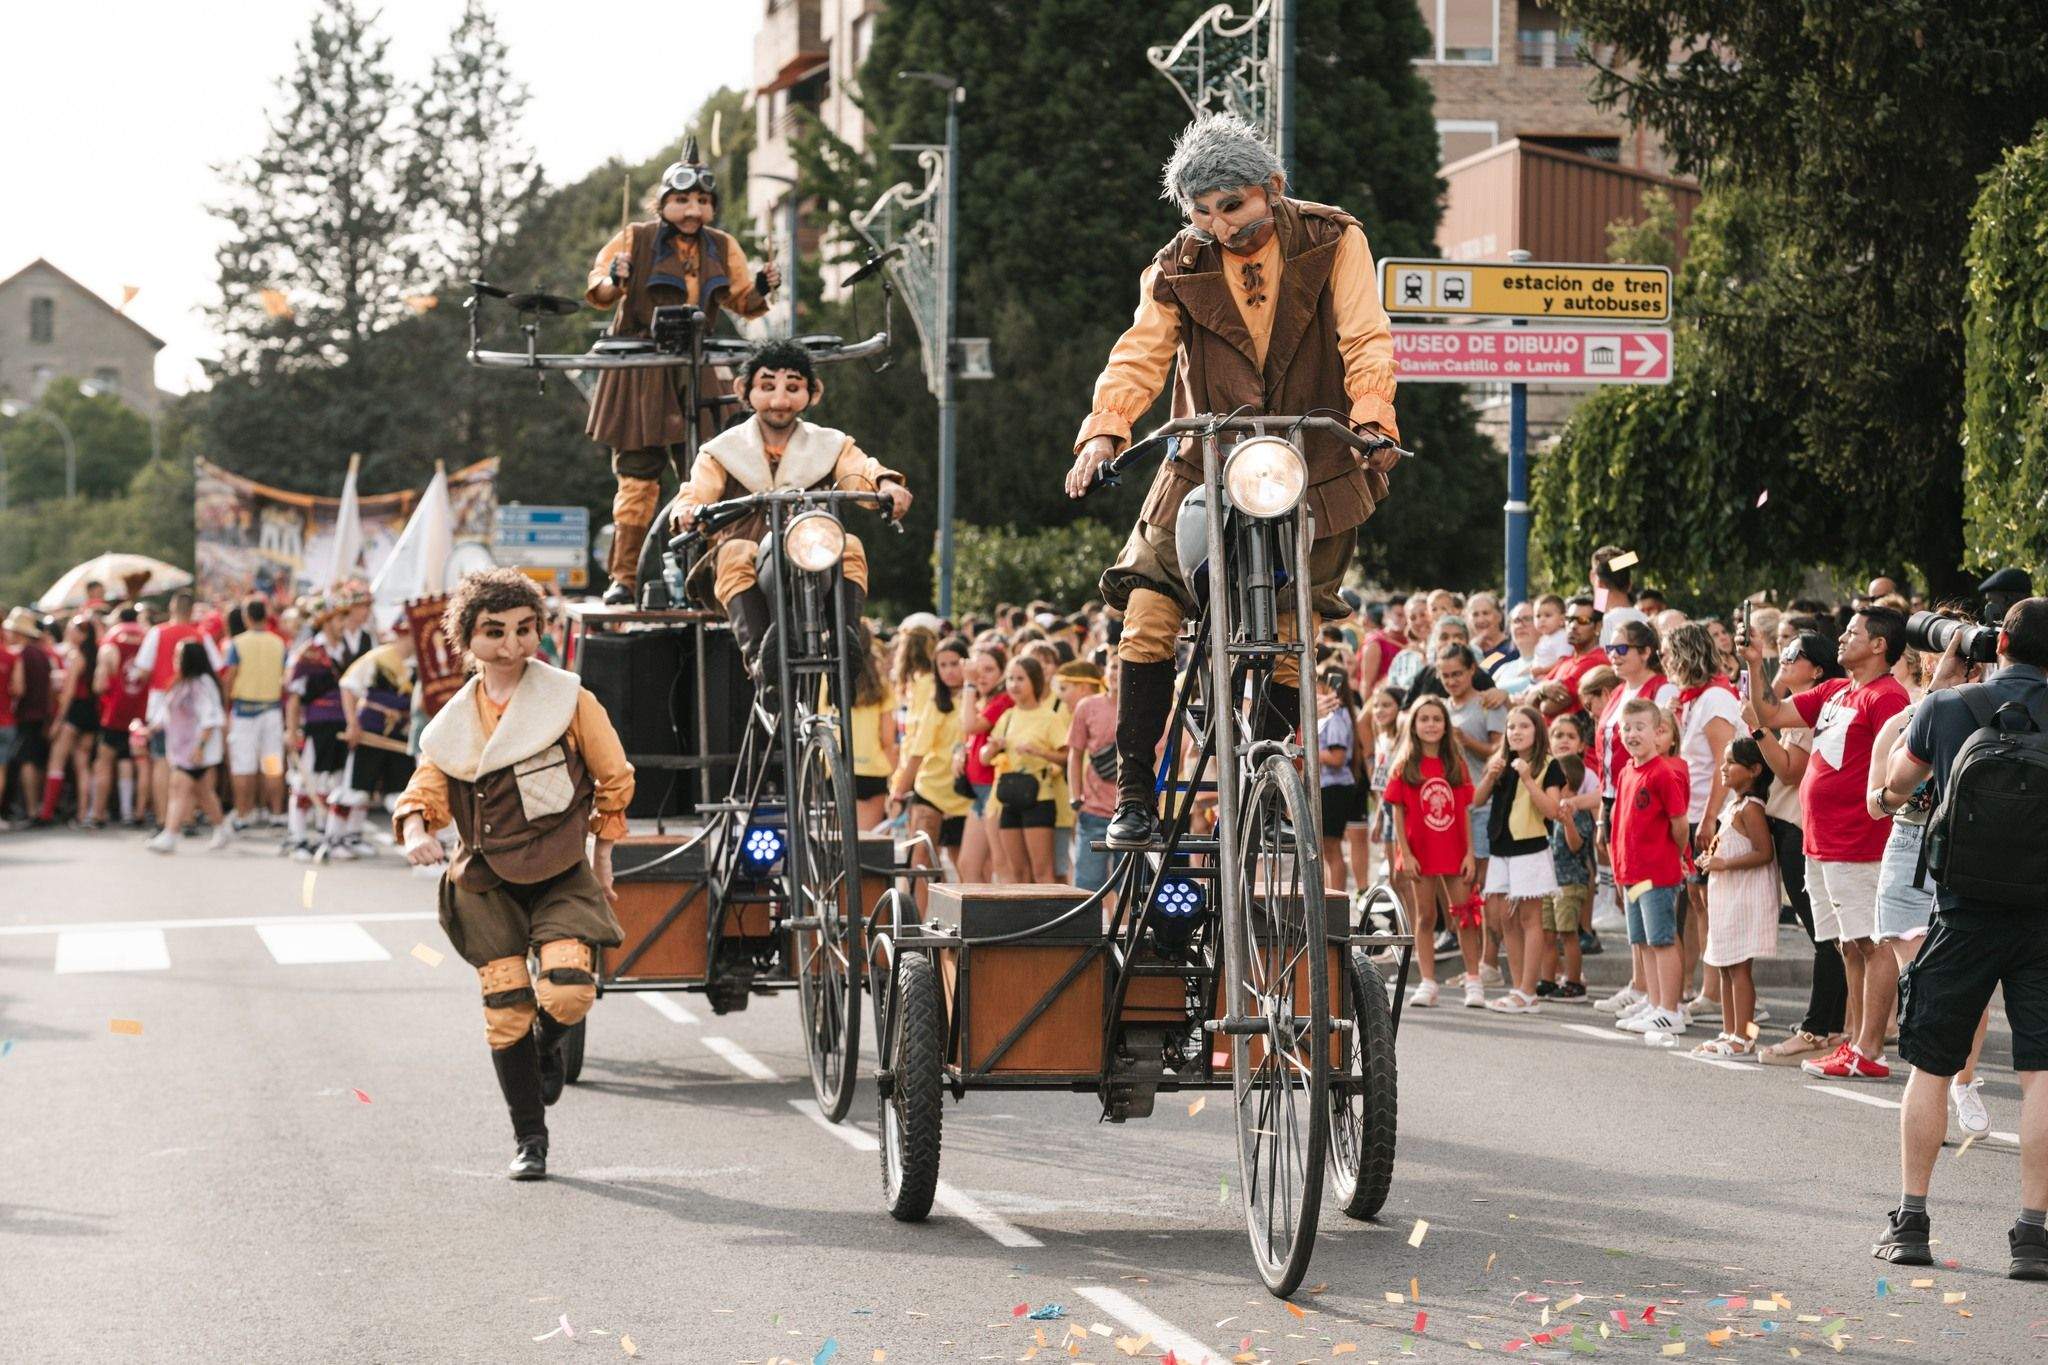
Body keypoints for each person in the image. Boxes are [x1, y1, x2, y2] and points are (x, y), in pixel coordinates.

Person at [1062, 111, 1401, 850]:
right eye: (1205, 212)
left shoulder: (1333, 238)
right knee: (1147, 611)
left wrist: (1373, 417)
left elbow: (1364, 331)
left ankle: (1271, 789)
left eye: (1235, 205)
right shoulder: (1177, 264)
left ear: (1272, 188)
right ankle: (1134, 794)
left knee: (1289, 630)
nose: (1222, 225)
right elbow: (1139, 353)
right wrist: (1105, 428)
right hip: (1204, 464)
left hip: (1311, 462)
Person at [395, 569, 634, 1181]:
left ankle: (544, 1044)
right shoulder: (449, 723)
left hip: (559, 871)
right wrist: (419, 831)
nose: (512, 645)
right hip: (485, 883)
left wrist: (603, 853)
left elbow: (614, 779)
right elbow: (427, 789)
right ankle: (531, 1140)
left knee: (568, 991)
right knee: (504, 1009)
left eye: (525, 630)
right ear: (467, 638)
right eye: (495, 632)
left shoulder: (570, 698)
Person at [1870, 596, 2048, 1278]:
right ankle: (2032, 1235)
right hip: (2043, 915)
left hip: (1963, 909)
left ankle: (1912, 1220)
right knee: (2041, 1075)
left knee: (1933, 1064)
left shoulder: (1949, 706)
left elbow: (1891, 788)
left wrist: (1936, 688)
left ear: (1996, 641)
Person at [584, 139, 781, 603]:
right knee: (636, 479)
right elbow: (598, 287)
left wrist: (761, 286)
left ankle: (709, 580)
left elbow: (743, 302)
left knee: (708, 476)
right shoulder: (636, 236)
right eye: (683, 200)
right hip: (643, 369)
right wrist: (617, 276)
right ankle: (624, 577)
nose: (693, 210)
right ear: (664, 203)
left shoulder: (722, 245)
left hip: (696, 367)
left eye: (701, 201)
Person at [672, 340, 911, 673]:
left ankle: (844, 639)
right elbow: (697, 490)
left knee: (851, 546)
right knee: (733, 552)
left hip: (813, 553)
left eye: (793, 387)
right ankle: (760, 658)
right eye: (767, 386)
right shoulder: (721, 450)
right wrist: (689, 509)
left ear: (812, 393)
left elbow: (861, 470)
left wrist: (886, 485)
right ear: (745, 390)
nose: (780, 400)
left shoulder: (830, 444)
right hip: (752, 559)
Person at [1743, 606, 1910, 1082]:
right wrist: (1757, 664)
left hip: (1859, 842)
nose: (1842, 638)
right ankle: (1854, 1041)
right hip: (1822, 841)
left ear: (1879, 645)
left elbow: (1902, 767)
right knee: (1847, 945)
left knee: (1871, 944)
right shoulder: (1837, 690)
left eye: (1854, 632)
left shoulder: (1887, 697)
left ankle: (1870, 1048)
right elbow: (1769, 712)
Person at [1865, 666, 1990, 1138]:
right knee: (1929, 987)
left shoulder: (1998, 715)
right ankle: (1928, 1092)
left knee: (1973, 989)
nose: (1970, 675)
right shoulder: (1904, 720)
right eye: (1960, 665)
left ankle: (1965, 1080)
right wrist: (1909, 783)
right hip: (1910, 854)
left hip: (1971, 855)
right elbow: (1875, 804)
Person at [1749, 632, 1848, 1066]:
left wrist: (1758, 730)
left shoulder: (1814, 710)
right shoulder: (1797, 708)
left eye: (1795, 655)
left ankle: (1820, 1027)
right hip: (1790, 825)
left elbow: (1790, 771)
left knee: (1826, 936)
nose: (1784, 661)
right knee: (1826, 935)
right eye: (1783, 652)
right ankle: (1830, 1023)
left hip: (1800, 827)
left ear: (1819, 670)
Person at [1666, 622, 1743, 1020]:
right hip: (1696, 810)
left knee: (1711, 903)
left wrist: (1710, 816)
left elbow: (1722, 763)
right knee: (1698, 901)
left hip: (1712, 812)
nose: (1665, 661)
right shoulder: (1695, 699)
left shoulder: (1715, 699)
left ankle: (1717, 992)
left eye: (1669, 653)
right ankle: (1702, 987)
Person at [1472, 704, 1567, 1014]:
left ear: (1537, 731)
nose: (1515, 732)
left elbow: (1552, 811)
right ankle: (1518, 989)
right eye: (1511, 727)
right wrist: (1490, 776)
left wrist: (1528, 779)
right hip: (1500, 847)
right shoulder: (1501, 763)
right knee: (1503, 917)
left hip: (1530, 848)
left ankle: (1529, 990)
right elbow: (1476, 800)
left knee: (1529, 918)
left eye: (1523, 726)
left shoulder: (1548, 765)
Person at [1384, 696, 1477, 1009]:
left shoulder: (1456, 764)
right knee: (1426, 916)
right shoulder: (1404, 766)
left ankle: (1474, 979)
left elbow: (1464, 811)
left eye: (1437, 719)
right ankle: (1427, 981)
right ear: (1414, 725)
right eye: (1424, 719)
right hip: (1419, 851)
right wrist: (1405, 854)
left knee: (1464, 914)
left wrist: (1470, 854)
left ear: (1446, 724)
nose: (1431, 725)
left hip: (1454, 849)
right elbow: (1397, 814)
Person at [1609, 699, 1692, 1043]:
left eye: (1640, 727)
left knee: (1661, 940)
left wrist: (1674, 855)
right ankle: (1655, 1002)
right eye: (1627, 728)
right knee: (1642, 941)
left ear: (1658, 732)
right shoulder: (1628, 771)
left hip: (1656, 873)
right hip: (1632, 873)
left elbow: (1679, 823)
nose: (1632, 734)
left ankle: (1670, 1010)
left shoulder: (1662, 772)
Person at [1693, 738, 1778, 1057]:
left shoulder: (1752, 808)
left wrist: (1724, 863)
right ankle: (1730, 1030)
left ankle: (1744, 1035)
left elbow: (1764, 853)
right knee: (1727, 966)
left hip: (1744, 895)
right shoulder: (1734, 806)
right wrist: (1710, 860)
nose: (1723, 767)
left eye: (1731, 762)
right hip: (1727, 894)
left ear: (1755, 770)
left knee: (1740, 967)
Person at [887, 637, 973, 900]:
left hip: (966, 797)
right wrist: (899, 791)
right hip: (931, 791)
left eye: (955, 663)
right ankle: (920, 930)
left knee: (965, 867)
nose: (949, 670)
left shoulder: (977, 700)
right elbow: (917, 753)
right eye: (943, 665)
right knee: (921, 863)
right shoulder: (936, 704)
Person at [332, 625, 419, 858]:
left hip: (399, 735)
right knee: (357, 789)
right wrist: (353, 724)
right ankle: (336, 838)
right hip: (370, 732)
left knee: (398, 792)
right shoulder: (378, 658)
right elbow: (348, 686)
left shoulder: (416, 664)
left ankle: (359, 837)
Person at [984, 654, 1070, 883]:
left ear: (1034, 681)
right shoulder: (1008, 716)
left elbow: (1066, 756)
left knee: (1042, 872)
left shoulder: (1049, 717)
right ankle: (1024, 919)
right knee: (1018, 872)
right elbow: (984, 757)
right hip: (1010, 797)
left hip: (1039, 797)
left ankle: (1051, 918)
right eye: (1010, 678)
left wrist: (1039, 752)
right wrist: (993, 748)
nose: (1014, 685)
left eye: (1020, 678)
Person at [282, 599, 354, 862]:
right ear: (326, 621)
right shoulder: (309, 653)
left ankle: (333, 839)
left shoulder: (346, 651)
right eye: (339, 619)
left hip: (342, 725)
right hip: (316, 726)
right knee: (306, 783)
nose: (343, 624)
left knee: (339, 783)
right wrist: (291, 730)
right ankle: (298, 838)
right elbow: (294, 696)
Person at [145, 640, 232, 854]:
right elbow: (167, 714)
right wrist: (150, 729)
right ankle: (222, 827)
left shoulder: (201, 684)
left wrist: (200, 746)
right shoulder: (182, 682)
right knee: (203, 793)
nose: (175, 661)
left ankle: (170, 834)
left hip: (194, 750)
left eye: (178, 656)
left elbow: (210, 717)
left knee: (178, 788)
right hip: (181, 748)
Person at [221, 596, 288, 831]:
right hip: (271, 710)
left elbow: (230, 677)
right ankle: (277, 813)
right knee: (272, 764)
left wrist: (226, 703)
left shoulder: (237, 643)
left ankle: (243, 813)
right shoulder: (278, 643)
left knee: (243, 765)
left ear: (247, 617)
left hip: (244, 711)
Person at [1544, 711, 1599, 998]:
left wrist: (1567, 822)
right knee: (1549, 933)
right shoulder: (1555, 810)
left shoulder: (1575, 812)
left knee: (1568, 934)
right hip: (1552, 881)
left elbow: (1576, 845)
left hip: (1570, 881)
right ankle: (1547, 978)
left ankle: (1574, 980)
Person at [955, 643, 1015, 883]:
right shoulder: (985, 700)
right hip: (978, 792)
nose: (980, 675)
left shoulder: (1003, 700)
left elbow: (970, 724)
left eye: (989, 669)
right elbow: (966, 732)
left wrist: (968, 684)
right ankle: (980, 921)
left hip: (994, 791)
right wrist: (960, 751)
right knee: (967, 864)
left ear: (1002, 672)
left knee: (1002, 864)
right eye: (976, 669)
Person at [1062, 659, 1118, 894]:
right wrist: (1075, 796)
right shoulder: (1087, 706)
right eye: (1114, 666)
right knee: (1086, 886)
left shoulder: (1145, 708)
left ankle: (1126, 931)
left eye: (1124, 665)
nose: (1118, 672)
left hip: (1130, 813)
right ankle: (1090, 932)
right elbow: (1074, 754)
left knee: (1129, 889)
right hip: (1093, 811)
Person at [39, 614, 101, 825]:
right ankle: (84, 813)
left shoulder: (77, 657)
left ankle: (46, 812)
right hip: (91, 713)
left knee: (57, 760)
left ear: (82, 633)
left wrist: (58, 721)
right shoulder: (95, 654)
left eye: (74, 628)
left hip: (74, 712)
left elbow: (69, 692)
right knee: (82, 764)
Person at [92, 606, 150, 827]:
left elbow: (100, 683)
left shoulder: (111, 641)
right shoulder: (147, 637)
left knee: (104, 762)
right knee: (139, 762)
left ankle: (97, 814)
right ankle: (137, 812)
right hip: (141, 713)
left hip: (115, 712)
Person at [4, 608, 54, 826]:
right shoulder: (42, 653)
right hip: (41, 714)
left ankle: (32, 809)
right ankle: (34, 808)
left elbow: (19, 688)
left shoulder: (22, 655)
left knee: (27, 761)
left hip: (26, 714)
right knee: (34, 760)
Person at [844, 625, 896, 831]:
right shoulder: (881, 686)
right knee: (867, 844)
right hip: (873, 770)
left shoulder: (827, 682)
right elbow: (887, 739)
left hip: (839, 768)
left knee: (840, 843)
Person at [1314, 666, 1361, 880]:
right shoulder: (1334, 716)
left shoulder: (1336, 717)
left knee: (1331, 847)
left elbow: (1337, 757)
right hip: (1329, 786)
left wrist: (1312, 751)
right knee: (1326, 848)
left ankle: (1336, 895)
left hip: (1335, 786)